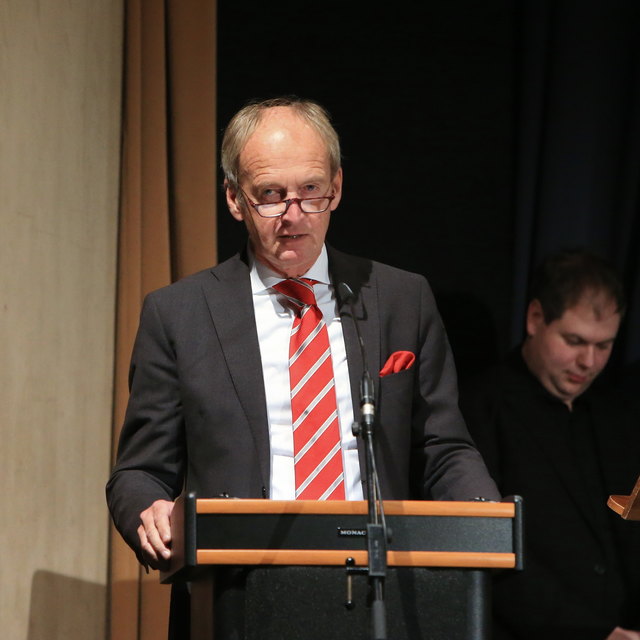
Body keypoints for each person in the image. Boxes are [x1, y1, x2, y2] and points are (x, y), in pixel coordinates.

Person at [106, 95, 501, 634]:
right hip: (236, 595)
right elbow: (140, 471)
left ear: (337, 186)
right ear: (235, 198)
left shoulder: (401, 299)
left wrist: (485, 520)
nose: (293, 216)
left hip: (379, 592)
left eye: (311, 191)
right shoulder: (179, 313)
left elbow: (442, 446)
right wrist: (148, 510)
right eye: (270, 195)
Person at [459, 248, 640, 640]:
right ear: (535, 318)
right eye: (574, 341)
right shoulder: (479, 410)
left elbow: (632, 525)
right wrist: (596, 632)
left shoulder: (619, 414)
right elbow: (486, 552)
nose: (589, 362)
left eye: (604, 346)